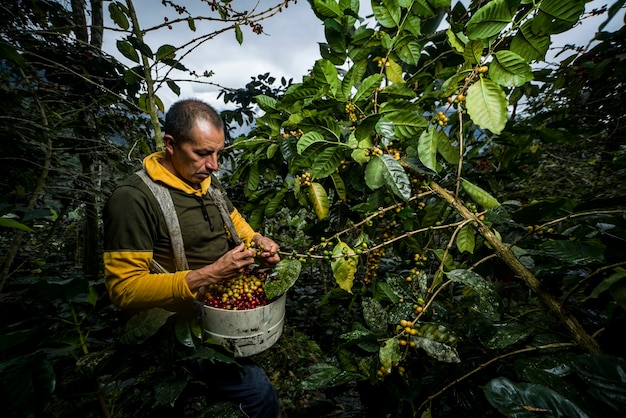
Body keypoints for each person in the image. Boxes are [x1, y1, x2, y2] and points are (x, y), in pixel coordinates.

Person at [102, 98, 282, 417]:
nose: (213, 164)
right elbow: (123, 291)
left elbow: (233, 218)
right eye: (202, 153)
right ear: (171, 144)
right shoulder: (133, 200)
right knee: (258, 393)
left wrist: (256, 239)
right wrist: (211, 274)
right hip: (178, 327)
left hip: (221, 311)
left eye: (218, 153)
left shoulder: (203, 179)